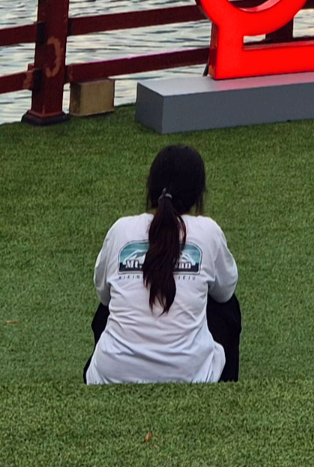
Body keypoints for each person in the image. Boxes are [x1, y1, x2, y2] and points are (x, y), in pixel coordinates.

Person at [87, 144, 240, 384]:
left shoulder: (121, 229)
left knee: (108, 304)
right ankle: (225, 391)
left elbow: (103, 296)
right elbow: (225, 292)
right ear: (199, 193)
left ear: (150, 186)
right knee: (227, 306)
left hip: (109, 377)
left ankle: (120, 363)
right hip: (193, 377)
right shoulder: (208, 231)